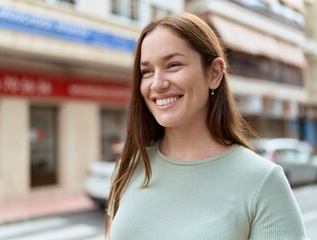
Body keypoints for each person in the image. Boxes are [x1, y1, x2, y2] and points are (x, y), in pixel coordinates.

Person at [106, 12, 309, 240]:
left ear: (214, 73)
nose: (157, 84)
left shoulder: (262, 181)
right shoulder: (128, 166)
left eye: (173, 65)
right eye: (147, 71)